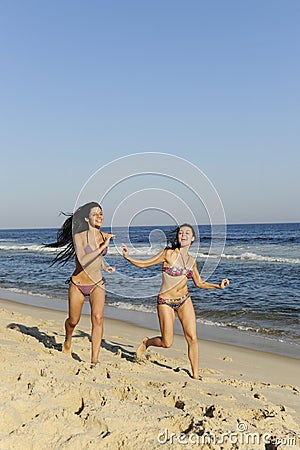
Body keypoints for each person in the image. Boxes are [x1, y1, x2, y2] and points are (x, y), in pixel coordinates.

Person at [122, 224, 229, 379]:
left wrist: (218, 286)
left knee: (192, 337)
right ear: (178, 237)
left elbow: (199, 283)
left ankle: (195, 374)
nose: (183, 235)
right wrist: (128, 257)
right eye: (180, 232)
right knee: (167, 343)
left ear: (192, 238)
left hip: (184, 300)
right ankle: (147, 343)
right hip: (165, 301)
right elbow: (145, 264)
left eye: (187, 233)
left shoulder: (192, 261)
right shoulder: (168, 254)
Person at [46, 202, 115, 366]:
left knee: (98, 318)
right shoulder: (79, 236)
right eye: (95, 214)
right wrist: (104, 246)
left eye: (101, 213)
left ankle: (94, 360)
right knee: (73, 321)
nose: (99, 217)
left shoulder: (104, 235)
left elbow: (97, 257)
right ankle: (67, 341)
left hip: (97, 283)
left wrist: (104, 266)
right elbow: (84, 260)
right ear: (86, 218)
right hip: (78, 283)